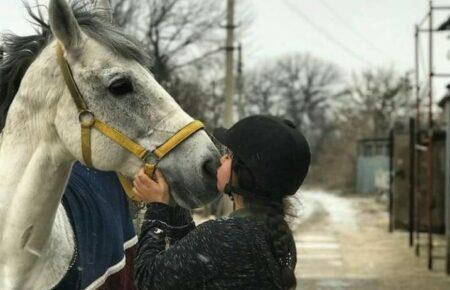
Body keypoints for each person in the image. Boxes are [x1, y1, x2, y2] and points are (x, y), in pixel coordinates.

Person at [132, 115, 311, 290]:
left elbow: (147, 279)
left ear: (246, 174)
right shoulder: (277, 235)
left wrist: (157, 209)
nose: (222, 158)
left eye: (230, 155)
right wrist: (174, 204)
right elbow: (193, 262)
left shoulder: (223, 236)